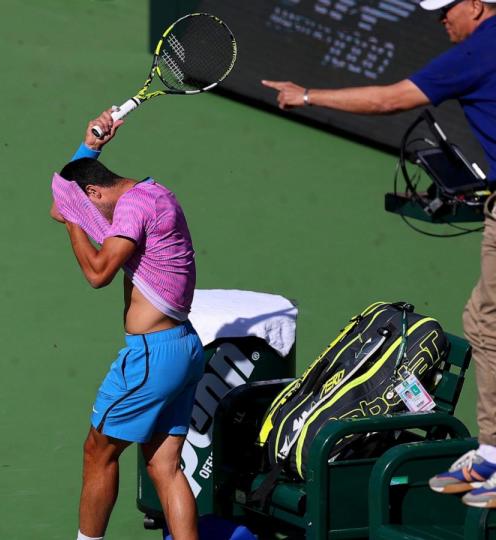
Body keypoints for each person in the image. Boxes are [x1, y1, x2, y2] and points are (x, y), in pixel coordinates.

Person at [262, 0, 496, 508]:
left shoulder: (480, 48)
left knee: (489, 325)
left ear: (477, 5)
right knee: (481, 321)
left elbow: (392, 99)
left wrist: (306, 95)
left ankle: (495, 460)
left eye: (446, 10)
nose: (440, 21)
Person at [50, 110, 205, 540]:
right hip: (184, 349)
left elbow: (98, 273)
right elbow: (58, 203)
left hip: (152, 359)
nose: (82, 210)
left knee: (96, 452)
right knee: (164, 466)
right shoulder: (150, 194)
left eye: (86, 202)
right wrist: (91, 148)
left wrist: (75, 221)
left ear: (96, 191)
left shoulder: (135, 208)